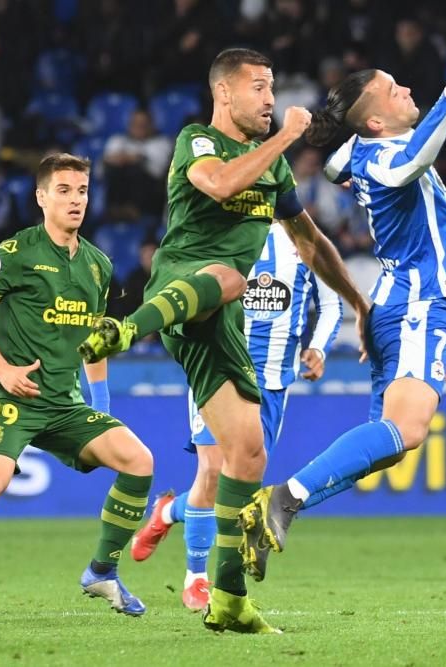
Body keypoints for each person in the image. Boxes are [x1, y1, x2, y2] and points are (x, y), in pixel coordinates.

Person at [77, 48, 367, 634]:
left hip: (221, 323)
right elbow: (217, 185)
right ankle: (123, 331)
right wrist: (285, 138)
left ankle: (229, 598)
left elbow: (311, 244)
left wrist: (358, 303)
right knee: (233, 275)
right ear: (225, 95)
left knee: (249, 453)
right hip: (180, 287)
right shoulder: (197, 142)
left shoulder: (275, 170)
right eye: (260, 87)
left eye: (274, 86)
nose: (271, 98)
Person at [237, 50, 446, 580]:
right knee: (409, 429)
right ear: (374, 121)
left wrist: (340, 159)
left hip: (400, 304)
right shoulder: (382, 157)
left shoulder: (361, 154)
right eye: (392, 88)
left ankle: (283, 504)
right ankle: (283, 499)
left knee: (391, 442)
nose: (404, 90)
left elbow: (334, 162)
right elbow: (410, 163)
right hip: (419, 303)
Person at [0, 153, 156, 620]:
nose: (75, 199)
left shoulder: (99, 266)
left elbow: (96, 341)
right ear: (41, 198)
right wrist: (3, 371)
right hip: (11, 397)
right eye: (63, 190)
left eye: (81, 190)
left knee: (139, 461)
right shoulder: (15, 254)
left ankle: (102, 570)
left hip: (64, 402)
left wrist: (100, 404)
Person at [128, 222, 342, 611]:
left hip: (273, 378)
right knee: (211, 470)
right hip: (219, 365)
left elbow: (331, 303)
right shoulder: (223, 232)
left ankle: (168, 511)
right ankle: (197, 577)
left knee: (238, 478)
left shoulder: (306, 239)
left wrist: (319, 348)